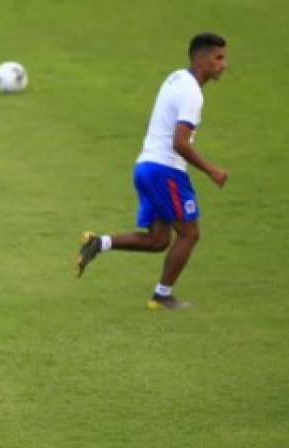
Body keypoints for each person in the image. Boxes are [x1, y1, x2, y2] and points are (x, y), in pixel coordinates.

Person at [76, 33, 229, 309]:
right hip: (165, 170)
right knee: (190, 233)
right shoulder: (192, 92)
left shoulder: (176, 78)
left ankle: (100, 243)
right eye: (218, 58)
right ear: (201, 59)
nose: (224, 64)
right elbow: (180, 143)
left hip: (146, 165)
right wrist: (211, 170)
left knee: (159, 239)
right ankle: (162, 295)